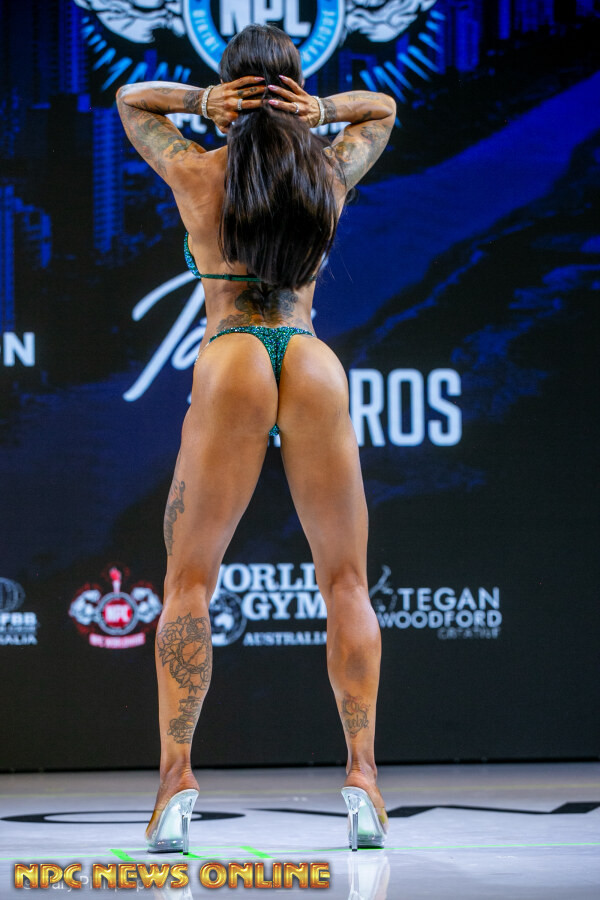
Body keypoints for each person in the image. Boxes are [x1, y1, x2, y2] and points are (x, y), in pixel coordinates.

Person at [116, 24, 396, 853]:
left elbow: (130, 101)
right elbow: (383, 111)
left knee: (188, 584)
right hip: (309, 359)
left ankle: (175, 784)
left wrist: (202, 101)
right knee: (347, 581)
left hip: (230, 354)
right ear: (294, 87)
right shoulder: (327, 172)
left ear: (231, 91)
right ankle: (364, 782)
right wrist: (320, 110)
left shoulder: (199, 170)